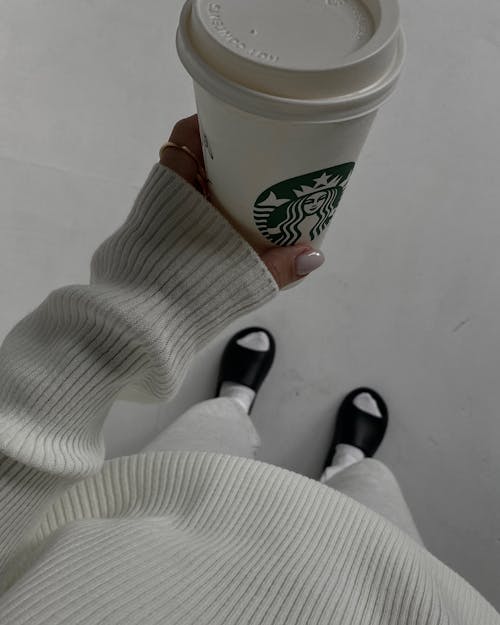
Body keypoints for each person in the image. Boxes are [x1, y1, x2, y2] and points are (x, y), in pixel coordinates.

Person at [0, 114, 498, 624]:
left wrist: (140, 311)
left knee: (204, 439)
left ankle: (234, 404)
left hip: (140, 535)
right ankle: (345, 468)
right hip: (391, 586)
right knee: (373, 494)